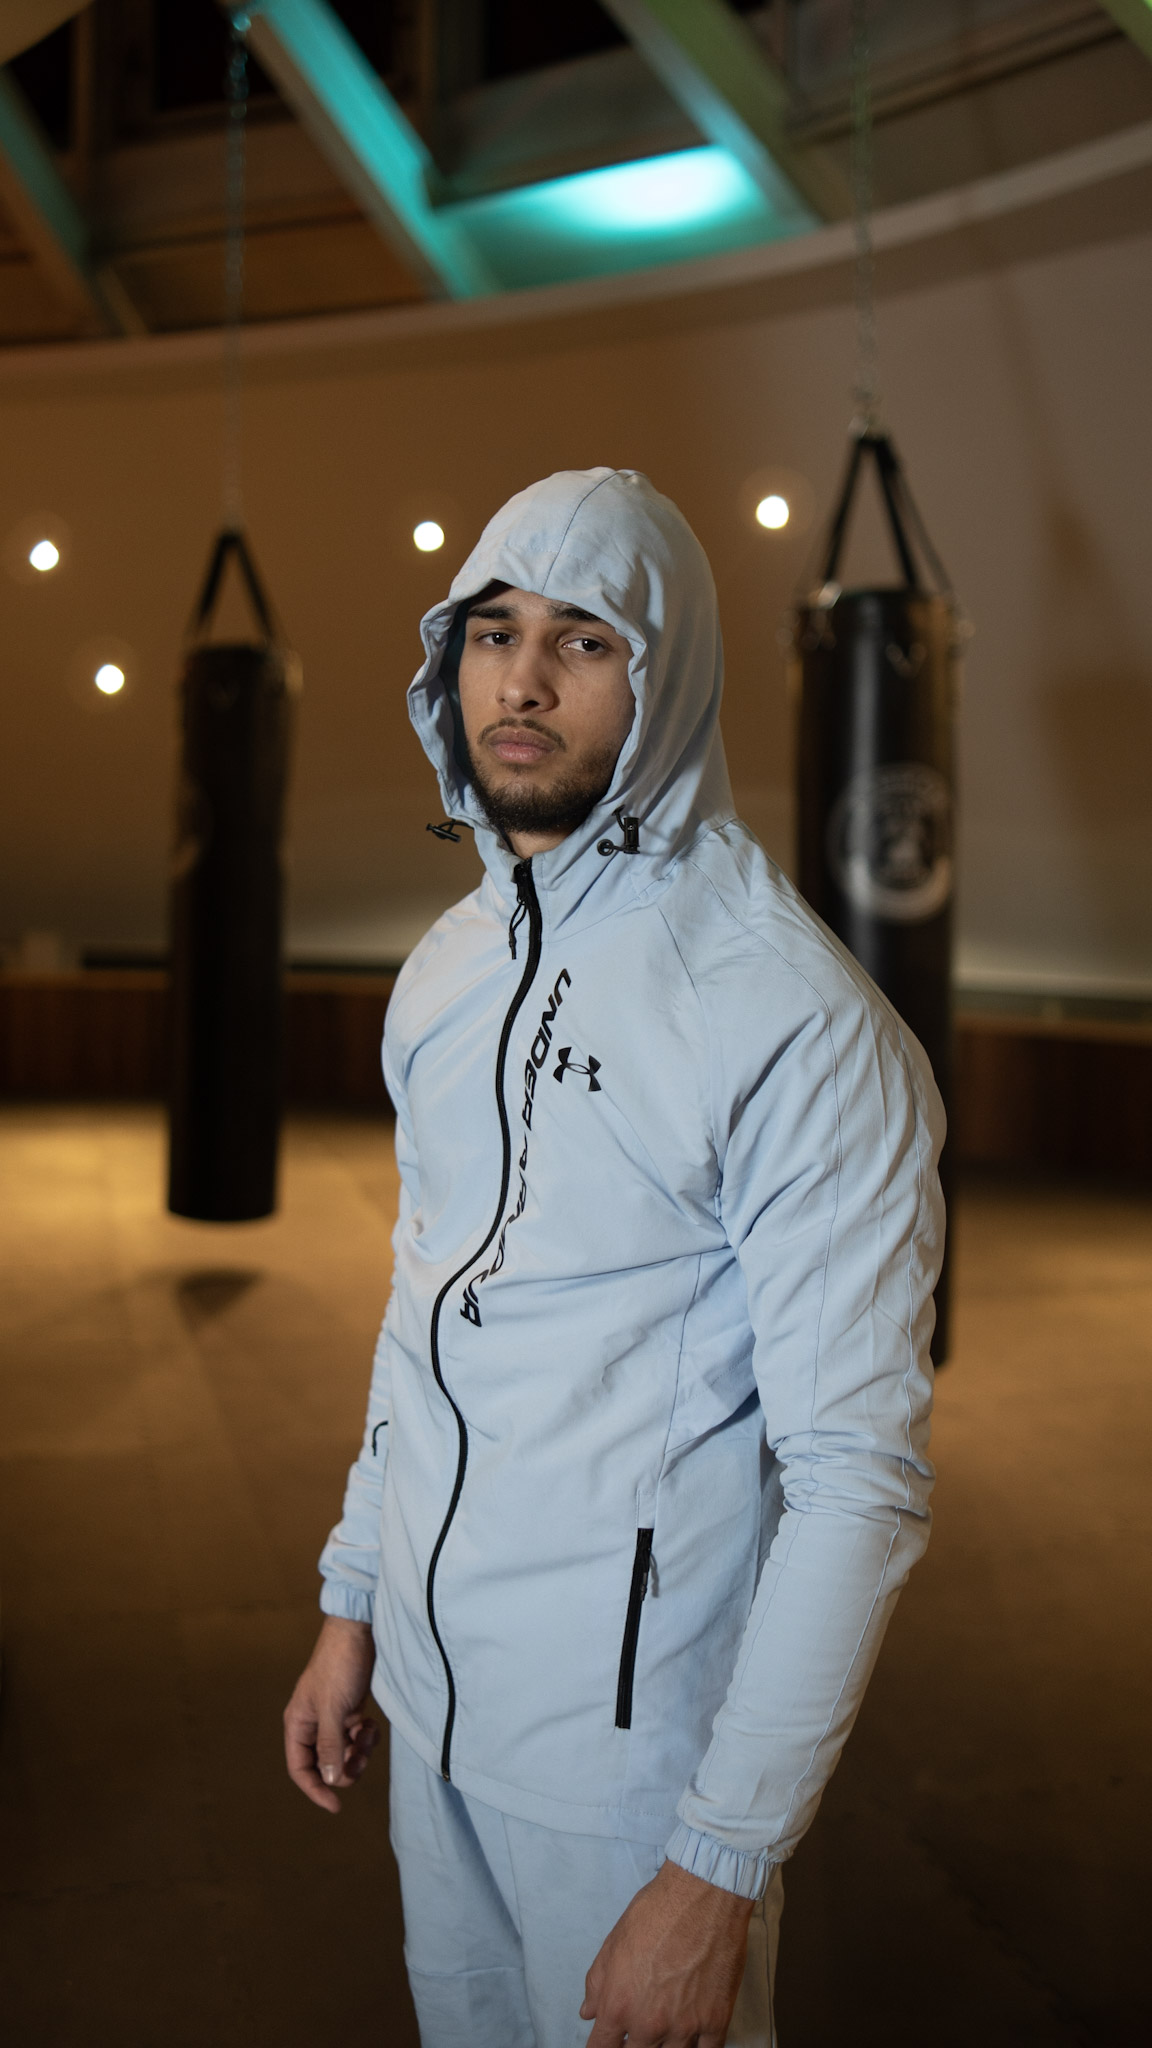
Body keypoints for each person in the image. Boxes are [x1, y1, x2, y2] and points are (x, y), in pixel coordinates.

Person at [283, 468, 944, 2048]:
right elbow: (424, 1308)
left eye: (584, 642)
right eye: (492, 633)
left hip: (630, 1778)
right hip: (432, 1719)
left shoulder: (791, 1018)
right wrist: (354, 1596)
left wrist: (716, 1866)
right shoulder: (448, 970)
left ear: (670, 677)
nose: (520, 680)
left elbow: (858, 1479)